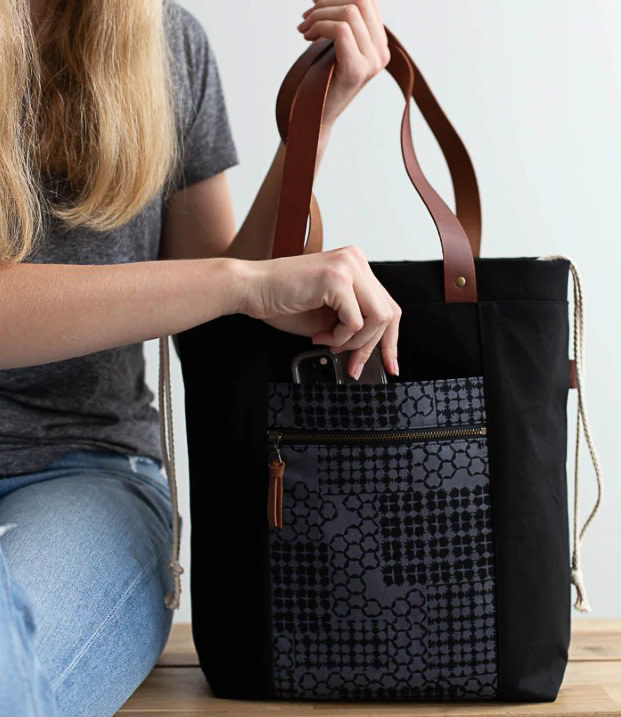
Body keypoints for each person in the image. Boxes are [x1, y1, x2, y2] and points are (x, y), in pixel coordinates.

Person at [0, 0, 401, 715]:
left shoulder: (165, 41)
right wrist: (240, 283)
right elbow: (230, 285)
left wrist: (316, 118)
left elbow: (217, 315)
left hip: (81, 473)